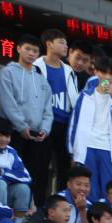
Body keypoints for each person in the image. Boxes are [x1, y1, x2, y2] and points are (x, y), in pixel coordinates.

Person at [0, 35, 53, 208]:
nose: (31, 53)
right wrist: (22, 126)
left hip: (38, 136)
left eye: (35, 51)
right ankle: (9, 211)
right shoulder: (7, 72)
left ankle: (32, 210)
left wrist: (45, 129)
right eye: (27, 49)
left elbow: (47, 109)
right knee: (12, 174)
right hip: (14, 133)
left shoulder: (41, 80)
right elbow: (8, 102)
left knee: (36, 174)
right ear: (18, 48)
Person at [67, 56, 112, 198]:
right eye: (103, 73)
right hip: (87, 147)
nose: (107, 77)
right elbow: (74, 124)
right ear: (96, 72)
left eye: (111, 74)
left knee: (111, 191)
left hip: (111, 149)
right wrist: (72, 151)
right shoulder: (85, 96)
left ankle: (108, 220)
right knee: (87, 191)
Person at [36, 29, 78, 188]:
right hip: (43, 123)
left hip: (64, 125)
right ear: (49, 44)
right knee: (40, 166)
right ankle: (38, 205)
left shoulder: (68, 70)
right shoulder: (36, 66)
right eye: (61, 42)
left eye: (66, 43)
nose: (65, 46)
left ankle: (61, 205)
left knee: (64, 169)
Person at [0, 115, 35, 215]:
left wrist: (2, 171)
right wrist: (10, 177)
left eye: (7, 136)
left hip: (6, 193)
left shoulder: (11, 152)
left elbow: (26, 177)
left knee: (23, 188)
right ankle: (1, 219)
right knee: (0, 184)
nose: (4, 140)